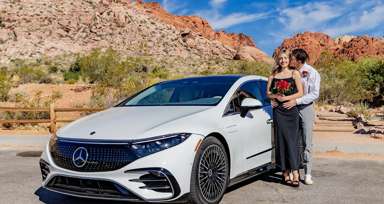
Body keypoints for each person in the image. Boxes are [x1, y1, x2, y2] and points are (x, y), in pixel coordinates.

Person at [282, 48, 321, 185]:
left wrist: (297, 101)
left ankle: (308, 172)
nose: (290, 60)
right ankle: (292, 170)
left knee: (306, 140)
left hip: (305, 108)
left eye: (292, 58)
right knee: (291, 139)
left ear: (298, 60)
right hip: (290, 108)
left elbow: (314, 94)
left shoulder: (312, 73)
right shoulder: (289, 72)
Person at [267, 50, 303, 187]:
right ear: (278, 60)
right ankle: (285, 171)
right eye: (280, 58)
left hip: (291, 111)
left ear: (289, 59)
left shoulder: (295, 73)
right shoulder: (273, 76)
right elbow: (268, 93)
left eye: (285, 58)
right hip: (279, 112)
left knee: (292, 142)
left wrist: (287, 98)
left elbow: (300, 92)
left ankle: (296, 172)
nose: (283, 61)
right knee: (281, 141)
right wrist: (275, 98)